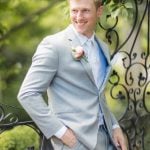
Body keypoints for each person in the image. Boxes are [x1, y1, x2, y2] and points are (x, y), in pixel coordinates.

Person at [17, 0, 127, 149]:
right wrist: (61, 133)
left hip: (106, 139)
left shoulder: (103, 48)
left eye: (85, 11)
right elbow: (27, 94)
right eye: (74, 11)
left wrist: (114, 126)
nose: (79, 16)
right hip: (74, 142)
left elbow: (98, 95)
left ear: (99, 11)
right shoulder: (54, 45)